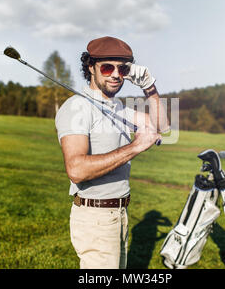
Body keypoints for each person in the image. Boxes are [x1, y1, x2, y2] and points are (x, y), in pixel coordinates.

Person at [55, 36, 169, 269]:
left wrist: (150, 88)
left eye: (123, 69)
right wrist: (136, 146)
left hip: (119, 213)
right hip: (95, 217)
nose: (116, 74)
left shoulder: (118, 107)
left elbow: (162, 127)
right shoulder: (77, 107)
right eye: (107, 67)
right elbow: (76, 170)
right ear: (91, 67)